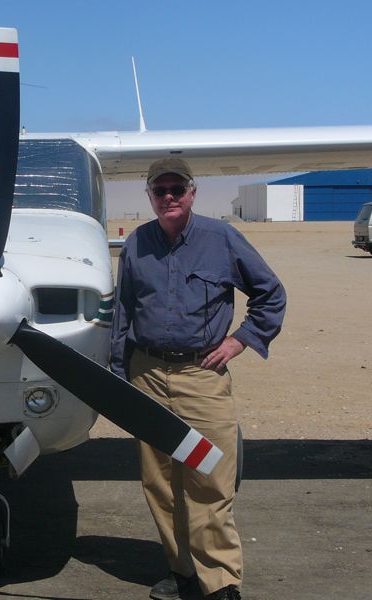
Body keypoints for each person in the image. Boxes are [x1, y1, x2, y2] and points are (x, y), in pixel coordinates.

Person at [109, 158, 286, 600]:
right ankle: (183, 570)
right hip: (146, 374)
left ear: (192, 193)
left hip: (200, 376)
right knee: (161, 483)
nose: (169, 197)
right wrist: (117, 378)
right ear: (150, 196)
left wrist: (240, 341)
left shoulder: (221, 238)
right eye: (159, 190)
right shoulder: (136, 244)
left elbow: (270, 293)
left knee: (210, 478)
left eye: (177, 189)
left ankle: (220, 582)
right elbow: (122, 313)